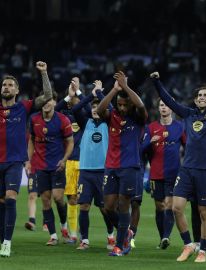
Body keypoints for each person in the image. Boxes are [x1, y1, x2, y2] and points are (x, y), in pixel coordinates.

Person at [0, 61, 53, 257]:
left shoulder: (24, 107)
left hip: (14, 162)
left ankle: (7, 243)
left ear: (17, 90)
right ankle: (2, 245)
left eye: (10, 85)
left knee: (10, 198)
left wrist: (44, 73)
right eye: (4, 85)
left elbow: (47, 96)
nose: (6, 87)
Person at [150, 71, 206, 263]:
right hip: (187, 169)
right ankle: (188, 244)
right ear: (195, 101)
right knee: (176, 208)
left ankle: (203, 249)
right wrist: (156, 81)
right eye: (199, 96)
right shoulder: (188, 114)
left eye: (205, 95)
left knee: (204, 212)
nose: (201, 98)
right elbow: (168, 101)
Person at [97, 71, 147, 256]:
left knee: (124, 205)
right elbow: (101, 110)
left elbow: (140, 105)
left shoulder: (138, 117)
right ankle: (126, 232)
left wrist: (125, 86)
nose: (122, 107)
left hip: (130, 166)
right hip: (111, 166)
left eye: (125, 104)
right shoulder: (112, 116)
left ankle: (120, 246)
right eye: (119, 104)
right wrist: (114, 89)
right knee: (108, 206)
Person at [71, 80, 114, 250]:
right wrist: (90, 95)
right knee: (84, 205)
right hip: (86, 171)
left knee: (105, 208)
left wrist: (100, 94)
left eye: (99, 107)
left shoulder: (109, 124)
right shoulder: (85, 122)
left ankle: (111, 235)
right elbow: (75, 109)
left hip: (103, 171)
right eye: (94, 107)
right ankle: (85, 240)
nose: (96, 110)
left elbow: (111, 109)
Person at [27, 90, 74, 246]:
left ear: (55, 102)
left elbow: (70, 142)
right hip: (40, 166)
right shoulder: (34, 119)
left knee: (58, 198)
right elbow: (32, 141)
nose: (47, 103)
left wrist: (65, 159)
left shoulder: (63, 120)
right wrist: (29, 160)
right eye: (44, 100)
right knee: (46, 201)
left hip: (58, 165)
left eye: (50, 100)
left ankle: (64, 228)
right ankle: (53, 236)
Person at [143, 99, 185, 249]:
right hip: (155, 173)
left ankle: (166, 236)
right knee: (159, 206)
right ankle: (162, 238)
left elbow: (188, 147)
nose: (164, 108)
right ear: (158, 108)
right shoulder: (151, 127)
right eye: (161, 105)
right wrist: (149, 142)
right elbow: (141, 150)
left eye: (166, 105)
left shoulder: (180, 127)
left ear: (172, 108)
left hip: (173, 173)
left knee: (169, 204)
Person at [54, 76, 90, 242]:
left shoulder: (84, 116)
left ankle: (83, 232)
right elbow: (54, 110)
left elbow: (90, 108)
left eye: (76, 96)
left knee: (84, 200)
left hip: (83, 162)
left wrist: (79, 91)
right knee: (71, 198)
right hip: (68, 161)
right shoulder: (63, 116)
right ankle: (74, 234)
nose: (75, 99)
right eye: (72, 97)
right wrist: (69, 95)